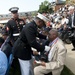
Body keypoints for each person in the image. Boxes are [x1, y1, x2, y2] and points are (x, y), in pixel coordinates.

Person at [5, 7, 25, 75]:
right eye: (14, 13)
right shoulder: (9, 22)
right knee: (16, 55)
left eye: (16, 13)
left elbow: (24, 30)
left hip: (23, 39)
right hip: (15, 40)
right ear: (11, 14)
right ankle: (17, 66)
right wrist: (13, 43)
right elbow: (10, 35)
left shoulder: (21, 20)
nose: (15, 14)